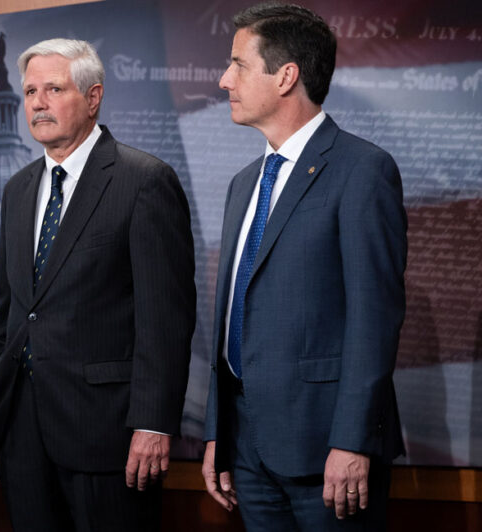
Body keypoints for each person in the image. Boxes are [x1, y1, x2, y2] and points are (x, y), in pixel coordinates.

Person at [0, 38, 195, 531]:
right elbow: (11, 310)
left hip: (108, 433)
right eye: (31, 91)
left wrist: (153, 423)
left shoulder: (143, 181)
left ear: (93, 97)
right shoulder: (18, 189)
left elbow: (166, 320)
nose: (37, 102)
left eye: (53, 88)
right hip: (22, 431)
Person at [201, 4, 407, 530]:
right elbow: (233, 314)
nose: (225, 79)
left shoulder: (363, 170)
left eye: (238, 65)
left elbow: (374, 318)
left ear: (286, 75)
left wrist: (352, 440)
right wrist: (216, 435)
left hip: (328, 454)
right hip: (246, 451)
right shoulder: (244, 183)